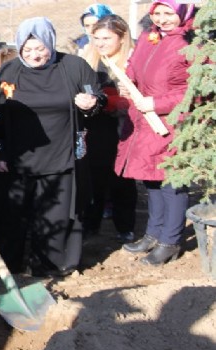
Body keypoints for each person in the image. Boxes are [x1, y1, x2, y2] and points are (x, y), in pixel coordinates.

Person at [0, 17, 105, 277]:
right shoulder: (9, 71)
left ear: (50, 42)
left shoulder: (74, 67)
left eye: (40, 48)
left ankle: (53, 264)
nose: (35, 56)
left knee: (57, 215)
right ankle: (10, 263)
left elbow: (98, 98)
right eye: (27, 50)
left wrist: (91, 103)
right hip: (19, 158)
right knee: (12, 215)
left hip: (63, 155)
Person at [116, 0, 195, 265]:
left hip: (172, 122)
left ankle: (170, 240)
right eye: (157, 13)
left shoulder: (191, 42)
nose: (162, 19)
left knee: (171, 182)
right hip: (144, 121)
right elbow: (133, 69)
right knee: (151, 180)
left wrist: (156, 103)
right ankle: (153, 232)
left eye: (168, 13)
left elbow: (194, 91)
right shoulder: (149, 38)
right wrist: (128, 83)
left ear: (183, 12)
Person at [81, 14, 138, 243]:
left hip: (125, 127)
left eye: (106, 38)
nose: (100, 43)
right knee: (95, 177)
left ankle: (125, 226)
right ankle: (90, 224)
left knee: (122, 179)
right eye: (96, 38)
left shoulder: (133, 61)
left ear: (122, 38)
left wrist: (123, 98)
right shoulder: (89, 60)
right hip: (96, 126)